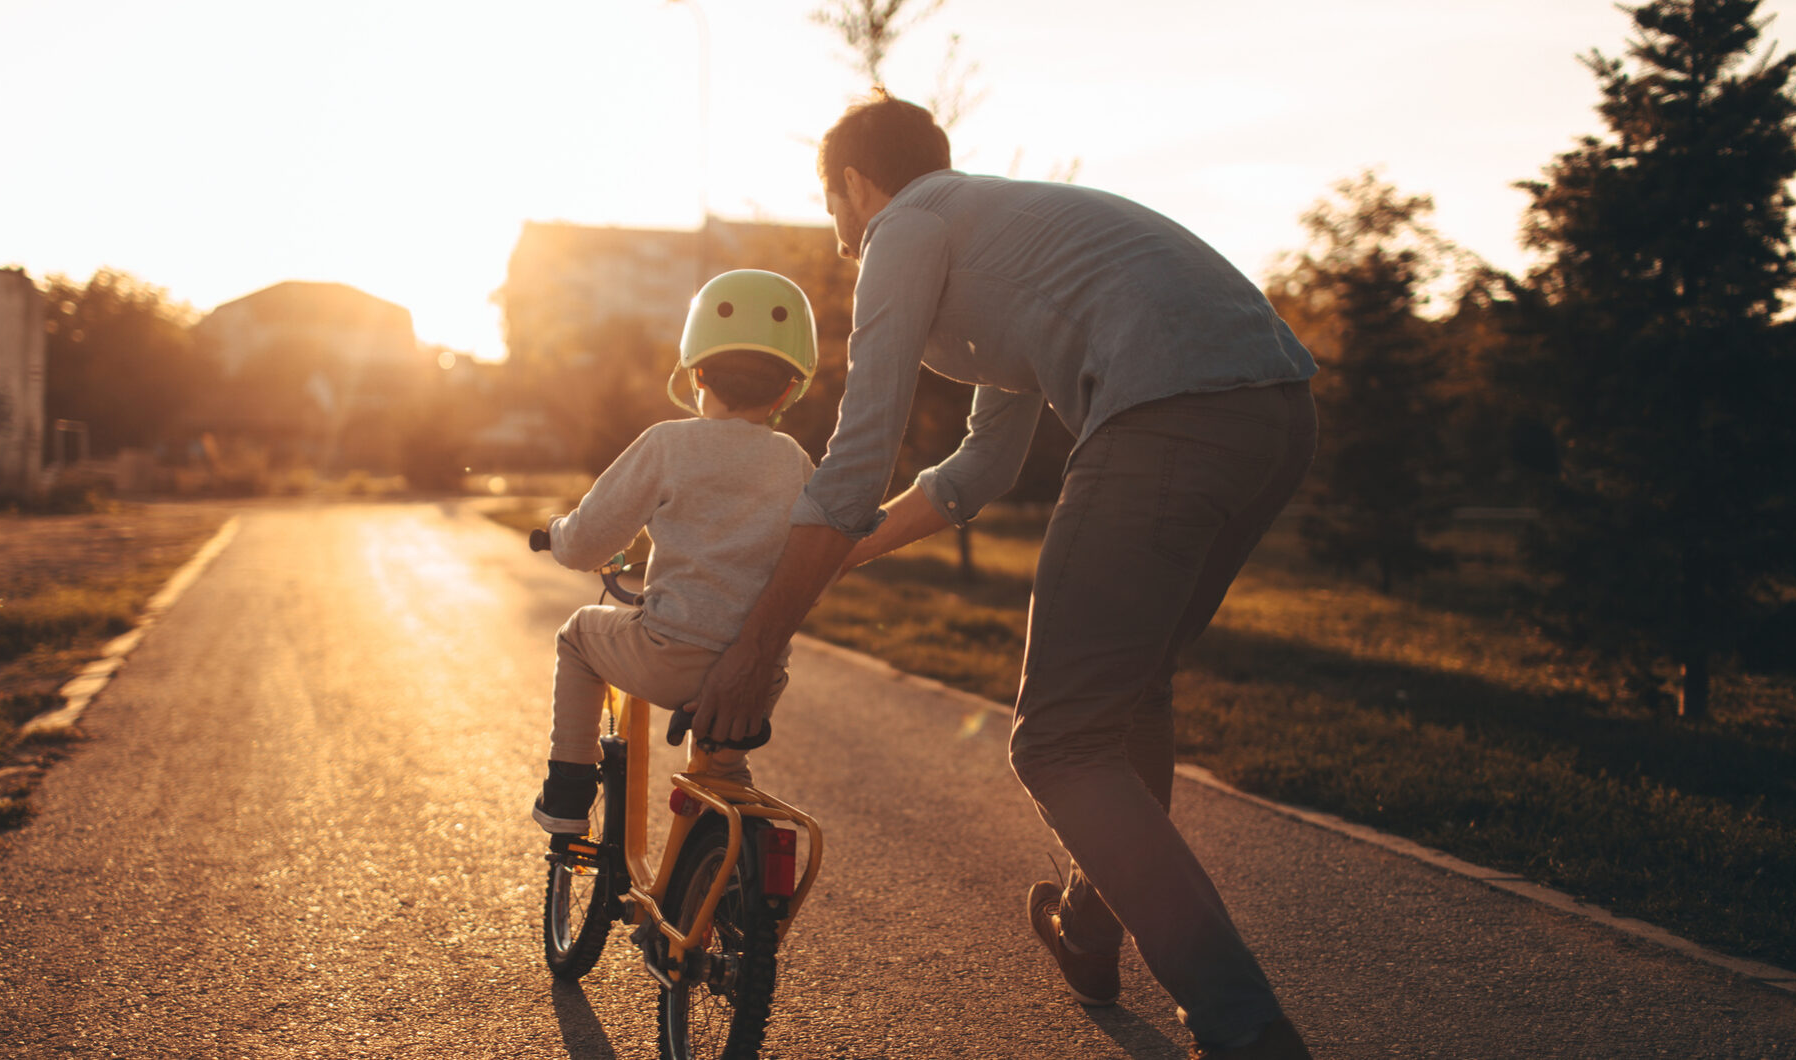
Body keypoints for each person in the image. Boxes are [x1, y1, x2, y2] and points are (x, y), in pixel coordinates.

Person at [683, 89, 1321, 1060]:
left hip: (1164, 415)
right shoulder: (1000, 234)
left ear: (855, 186)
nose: (840, 234)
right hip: (1276, 414)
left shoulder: (907, 225)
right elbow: (978, 469)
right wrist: (843, 554)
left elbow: (860, 454)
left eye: (831, 208)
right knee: (1126, 695)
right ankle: (1090, 928)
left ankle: (1244, 1029)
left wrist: (758, 638)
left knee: (1055, 743)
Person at [530, 269, 820, 842]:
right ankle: (721, 868)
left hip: (670, 658)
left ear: (697, 372)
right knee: (723, 773)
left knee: (579, 635)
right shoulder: (795, 461)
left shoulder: (669, 444)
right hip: (759, 677)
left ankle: (568, 787)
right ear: (789, 388)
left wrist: (560, 536)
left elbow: (589, 540)